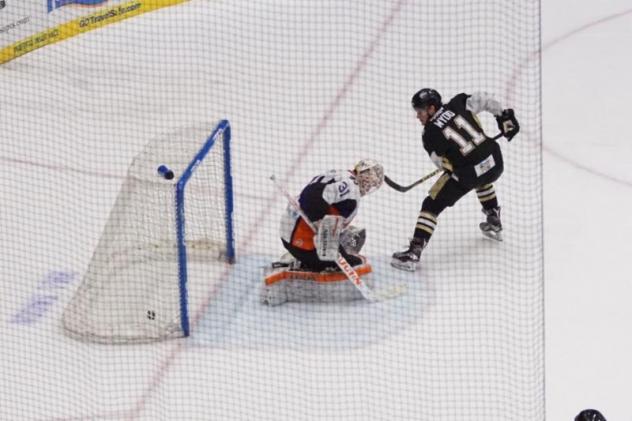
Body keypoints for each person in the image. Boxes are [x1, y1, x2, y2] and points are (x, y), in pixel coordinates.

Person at [391, 88, 520, 272]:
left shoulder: (429, 135)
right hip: (495, 160)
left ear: (431, 108)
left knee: (431, 204)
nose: (417, 117)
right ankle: (493, 218)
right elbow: (485, 99)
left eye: (420, 112)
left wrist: (455, 167)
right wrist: (503, 116)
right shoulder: (459, 103)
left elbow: (443, 164)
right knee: (481, 176)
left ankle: (414, 252)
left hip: (470, 173)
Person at [261, 159, 384, 305]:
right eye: (368, 179)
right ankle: (307, 265)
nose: (368, 185)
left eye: (372, 183)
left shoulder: (341, 174)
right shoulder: (351, 189)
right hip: (301, 242)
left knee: (353, 236)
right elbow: (311, 196)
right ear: (361, 172)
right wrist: (321, 227)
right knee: (355, 264)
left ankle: (313, 255)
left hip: (288, 232)